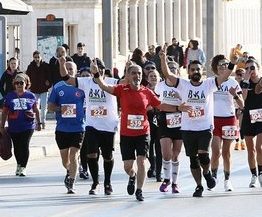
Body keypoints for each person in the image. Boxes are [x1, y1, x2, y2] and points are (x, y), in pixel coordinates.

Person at [91, 60, 160, 202]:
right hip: (127, 134)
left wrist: (179, 108)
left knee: (141, 161)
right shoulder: (122, 89)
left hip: (143, 132)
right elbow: (103, 85)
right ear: (127, 76)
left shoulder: (147, 92)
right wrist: (96, 73)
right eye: (133, 73)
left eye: (139, 73)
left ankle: (139, 190)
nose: (137, 76)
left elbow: (161, 105)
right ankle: (132, 175)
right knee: (128, 166)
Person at [160, 48, 218, 198]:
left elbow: (223, 77)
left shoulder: (209, 84)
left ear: (202, 70)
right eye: (192, 69)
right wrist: (163, 59)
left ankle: (207, 173)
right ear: (188, 72)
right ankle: (199, 186)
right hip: (187, 128)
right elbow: (167, 74)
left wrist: (232, 64)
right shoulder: (183, 84)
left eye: (198, 69)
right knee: (193, 160)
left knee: (203, 156)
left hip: (205, 127)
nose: (195, 71)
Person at [67, 64, 120, 196]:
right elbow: (67, 79)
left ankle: (107, 182)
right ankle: (95, 182)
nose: (98, 70)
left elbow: (125, 82)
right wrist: (62, 64)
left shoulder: (111, 82)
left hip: (108, 125)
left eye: (101, 68)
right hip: (92, 124)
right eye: (95, 68)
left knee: (107, 156)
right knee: (91, 154)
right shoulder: (86, 82)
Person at [48, 61, 87, 194]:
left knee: (74, 154)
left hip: (78, 127)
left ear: (76, 71)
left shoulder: (82, 86)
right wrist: (62, 109)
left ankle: (71, 181)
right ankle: (69, 170)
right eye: (67, 68)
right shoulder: (58, 86)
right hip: (62, 128)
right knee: (65, 160)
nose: (69, 70)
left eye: (72, 69)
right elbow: (50, 106)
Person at [209, 54, 244, 192]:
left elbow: (242, 104)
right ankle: (213, 176)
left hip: (229, 119)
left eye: (225, 64)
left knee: (226, 153)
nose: (223, 67)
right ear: (215, 68)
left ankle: (227, 180)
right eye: (220, 65)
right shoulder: (211, 81)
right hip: (214, 119)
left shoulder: (233, 83)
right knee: (216, 150)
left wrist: (235, 95)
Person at [0, 73, 41, 177]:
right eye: (17, 83)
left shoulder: (31, 95)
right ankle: (18, 164)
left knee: (24, 145)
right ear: (14, 84)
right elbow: (4, 112)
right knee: (17, 147)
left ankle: (23, 167)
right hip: (14, 126)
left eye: (21, 83)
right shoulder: (9, 96)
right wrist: (1, 125)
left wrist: (39, 122)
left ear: (26, 83)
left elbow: (36, 109)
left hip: (28, 125)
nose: (19, 85)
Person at [153, 60, 184, 194]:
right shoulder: (159, 86)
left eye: (174, 68)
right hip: (165, 119)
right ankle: (166, 179)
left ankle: (175, 183)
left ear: (177, 72)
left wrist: (181, 97)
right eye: (169, 68)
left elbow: (189, 103)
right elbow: (156, 103)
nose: (171, 70)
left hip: (179, 119)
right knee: (166, 153)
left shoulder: (183, 85)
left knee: (175, 155)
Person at [239, 57, 262, 187]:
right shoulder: (244, 83)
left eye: (252, 68)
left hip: (261, 117)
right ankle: (254, 175)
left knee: (259, 147)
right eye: (247, 68)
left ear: (258, 69)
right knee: (250, 149)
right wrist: (245, 80)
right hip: (248, 118)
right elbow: (243, 98)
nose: (249, 70)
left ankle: (261, 174)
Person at [25, 50, 50, 128]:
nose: (37, 59)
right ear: (33, 58)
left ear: (41, 57)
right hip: (34, 90)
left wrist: (48, 83)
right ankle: (37, 122)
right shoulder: (30, 66)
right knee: (35, 107)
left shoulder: (45, 65)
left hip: (43, 90)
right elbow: (27, 77)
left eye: (38, 57)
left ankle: (43, 121)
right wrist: (28, 87)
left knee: (43, 107)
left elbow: (49, 76)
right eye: (35, 57)